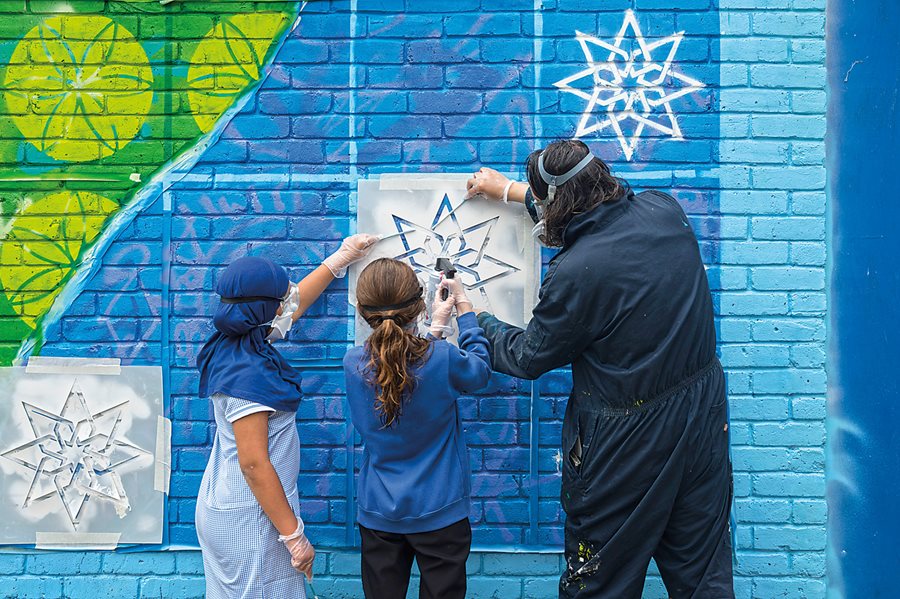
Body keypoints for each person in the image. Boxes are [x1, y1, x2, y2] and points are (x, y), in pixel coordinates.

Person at [466, 139, 734, 598]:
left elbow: (529, 356)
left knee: (598, 583)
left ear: (559, 203)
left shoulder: (576, 272)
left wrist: (479, 320)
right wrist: (512, 191)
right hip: (702, 422)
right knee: (703, 578)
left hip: (627, 443)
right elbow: (590, 214)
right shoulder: (664, 210)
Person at [194, 234, 376, 599]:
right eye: (279, 297)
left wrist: (339, 260)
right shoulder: (250, 376)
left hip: (230, 504)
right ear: (265, 309)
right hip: (251, 520)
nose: (287, 299)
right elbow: (254, 464)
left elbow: (293, 306)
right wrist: (294, 537)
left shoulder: (235, 341)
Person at [343, 258, 492, 599]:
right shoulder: (442, 359)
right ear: (418, 306)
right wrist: (463, 310)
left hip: (379, 512)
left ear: (364, 310)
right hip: (440, 512)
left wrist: (434, 330)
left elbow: (403, 366)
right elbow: (479, 371)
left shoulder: (353, 364)